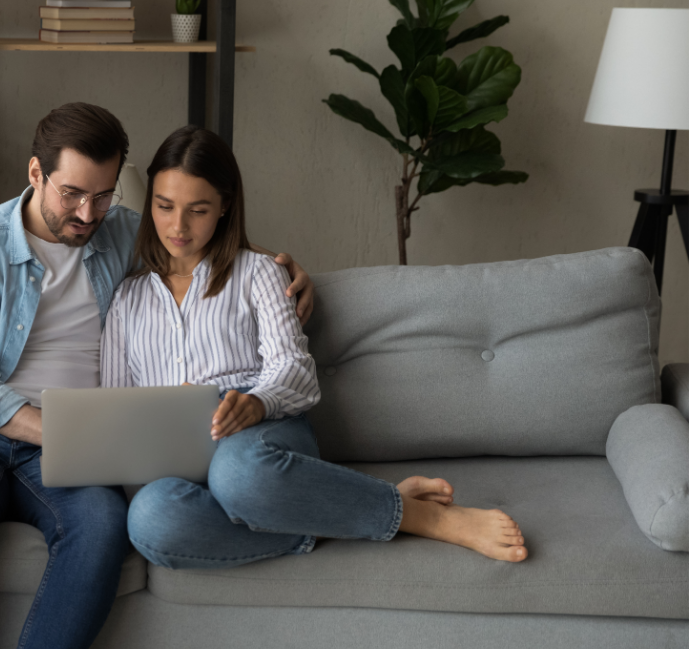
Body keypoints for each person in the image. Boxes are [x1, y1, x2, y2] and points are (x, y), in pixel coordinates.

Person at [0, 104, 316, 649]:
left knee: (103, 523)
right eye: (72, 194)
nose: (87, 213)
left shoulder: (121, 233)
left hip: (82, 439)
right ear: (36, 173)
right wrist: (52, 428)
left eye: (104, 196)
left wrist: (285, 267)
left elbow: (203, 237)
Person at [103, 125, 529, 570]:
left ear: (225, 206)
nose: (178, 226)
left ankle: (421, 518)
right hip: (177, 464)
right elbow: (114, 406)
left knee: (238, 474)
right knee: (151, 518)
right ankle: (362, 512)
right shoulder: (127, 299)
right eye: (164, 206)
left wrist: (255, 403)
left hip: (259, 440)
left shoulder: (258, 273)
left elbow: (294, 369)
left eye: (198, 210)